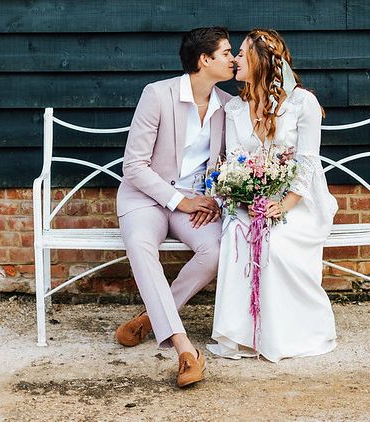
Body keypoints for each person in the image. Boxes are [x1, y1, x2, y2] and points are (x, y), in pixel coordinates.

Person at [207, 28, 339, 362]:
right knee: (238, 236)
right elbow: (234, 160)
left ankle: (290, 332)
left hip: (298, 201)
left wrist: (283, 204)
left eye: (240, 52)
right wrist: (245, 199)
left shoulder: (302, 103)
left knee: (275, 244)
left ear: (260, 60)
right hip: (249, 200)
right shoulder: (235, 108)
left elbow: (307, 162)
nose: (234, 59)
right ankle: (244, 335)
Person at [115, 27, 234, 387]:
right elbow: (133, 165)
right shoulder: (157, 94)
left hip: (195, 200)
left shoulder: (228, 106)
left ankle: (151, 318)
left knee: (214, 251)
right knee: (140, 244)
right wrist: (178, 201)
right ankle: (185, 349)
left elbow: (228, 164)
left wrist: (214, 198)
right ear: (204, 60)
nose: (233, 59)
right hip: (144, 196)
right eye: (226, 53)